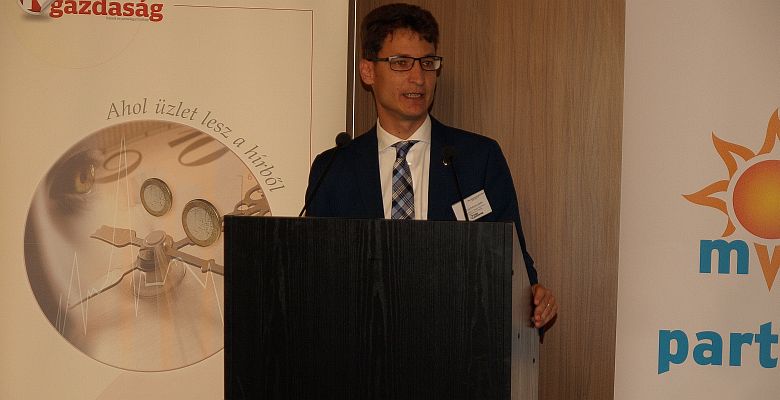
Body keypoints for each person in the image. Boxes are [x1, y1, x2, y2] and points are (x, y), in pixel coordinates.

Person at [305, 3, 557, 329]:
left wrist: (534, 296)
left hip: (459, 341)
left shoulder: (478, 159)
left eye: (427, 63)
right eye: (401, 63)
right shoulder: (333, 169)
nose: (418, 78)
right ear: (368, 71)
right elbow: (313, 274)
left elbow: (513, 263)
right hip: (360, 342)